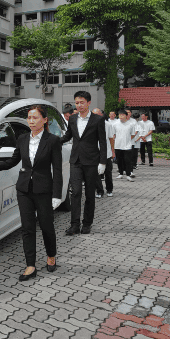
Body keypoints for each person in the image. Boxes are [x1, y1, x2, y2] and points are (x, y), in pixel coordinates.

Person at [0, 105, 62, 281]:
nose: (31, 121)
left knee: (47, 226)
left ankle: (51, 256)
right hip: (24, 189)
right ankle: (30, 265)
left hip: (44, 191)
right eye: (29, 118)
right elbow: (12, 161)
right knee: (27, 228)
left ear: (45, 120)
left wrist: (56, 195)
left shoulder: (53, 140)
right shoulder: (23, 138)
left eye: (35, 118)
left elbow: (57, 169)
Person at [61, 91, 107, 236]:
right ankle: (74, 225)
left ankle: (87, 224)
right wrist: (54, 141)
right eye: (77, 103)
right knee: (75, 193)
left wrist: (103, 162)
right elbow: (68, 135)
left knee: (89, 194)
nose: (79, 105)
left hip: (91, 161)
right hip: (75, 160)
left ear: (88, 103)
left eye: (81, 102)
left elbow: (102, 142)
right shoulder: (73, 119)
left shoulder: (98, 120)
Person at [93, 108, 116, 198]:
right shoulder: (90, 124)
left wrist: (113, 151)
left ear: (101, 115)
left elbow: (111, 138)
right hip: (94, 153)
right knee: (96, 173)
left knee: (108, 173)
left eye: (97, 114)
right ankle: (99, 191)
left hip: (106, 152)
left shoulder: (107, 124)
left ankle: (109, 190)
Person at [113, 109, 137, 181]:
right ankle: (120, 173)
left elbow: (132, 135)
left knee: (128, 161)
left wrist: (127, 140)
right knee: (119, 160)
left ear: (126, 116)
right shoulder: (115, 124)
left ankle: (128, 174)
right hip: (117, 145)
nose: (121, 116)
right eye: (120, 115)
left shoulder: (130, 125)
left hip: (127, 146)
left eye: (122, 115)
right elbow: (113, 135)